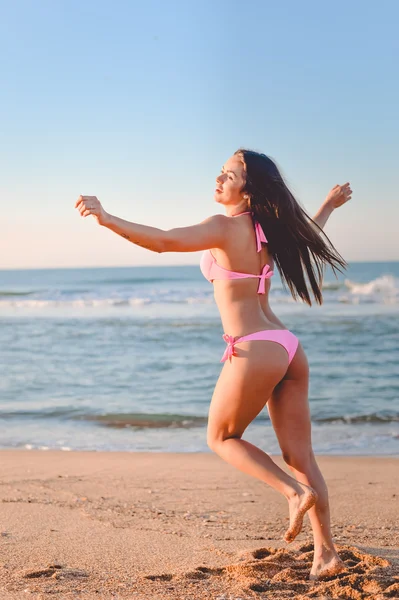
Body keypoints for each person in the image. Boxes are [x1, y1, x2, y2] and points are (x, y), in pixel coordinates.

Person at [75, 149, 352, 580]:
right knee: (301, 454)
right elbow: (309, 232)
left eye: (230, 174)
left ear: (249, 187)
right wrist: (328, 207)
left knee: (221, 437)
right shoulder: (268, 229)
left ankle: (294, 493)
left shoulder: (224, 227)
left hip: (254, 347)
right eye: (222, 172)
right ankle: (326, 553)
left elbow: (164, 241)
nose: (219, 179)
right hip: (286, 346)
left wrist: (107, 218)